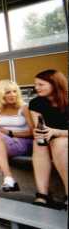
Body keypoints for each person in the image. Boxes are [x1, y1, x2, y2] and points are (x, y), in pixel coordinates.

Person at [0, 80, 33, 197]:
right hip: (1, 143)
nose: (13, 95)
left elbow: (33, 132)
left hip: (23, 142)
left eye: (15, 91)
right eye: (8, 92)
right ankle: (3, 182)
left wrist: (7, 132)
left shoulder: (24, 108)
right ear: (0, 95)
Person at [28, 70, 68, 208]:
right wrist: (40, 132)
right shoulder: (36, 103)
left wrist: (56, 132)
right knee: (38, 142)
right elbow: (39, 126)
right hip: (51, 140)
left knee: (60, 142)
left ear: (55, 84)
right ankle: (42, 195)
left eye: (41, 84)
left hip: (63, 138)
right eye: (35, 84)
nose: (36, 88)